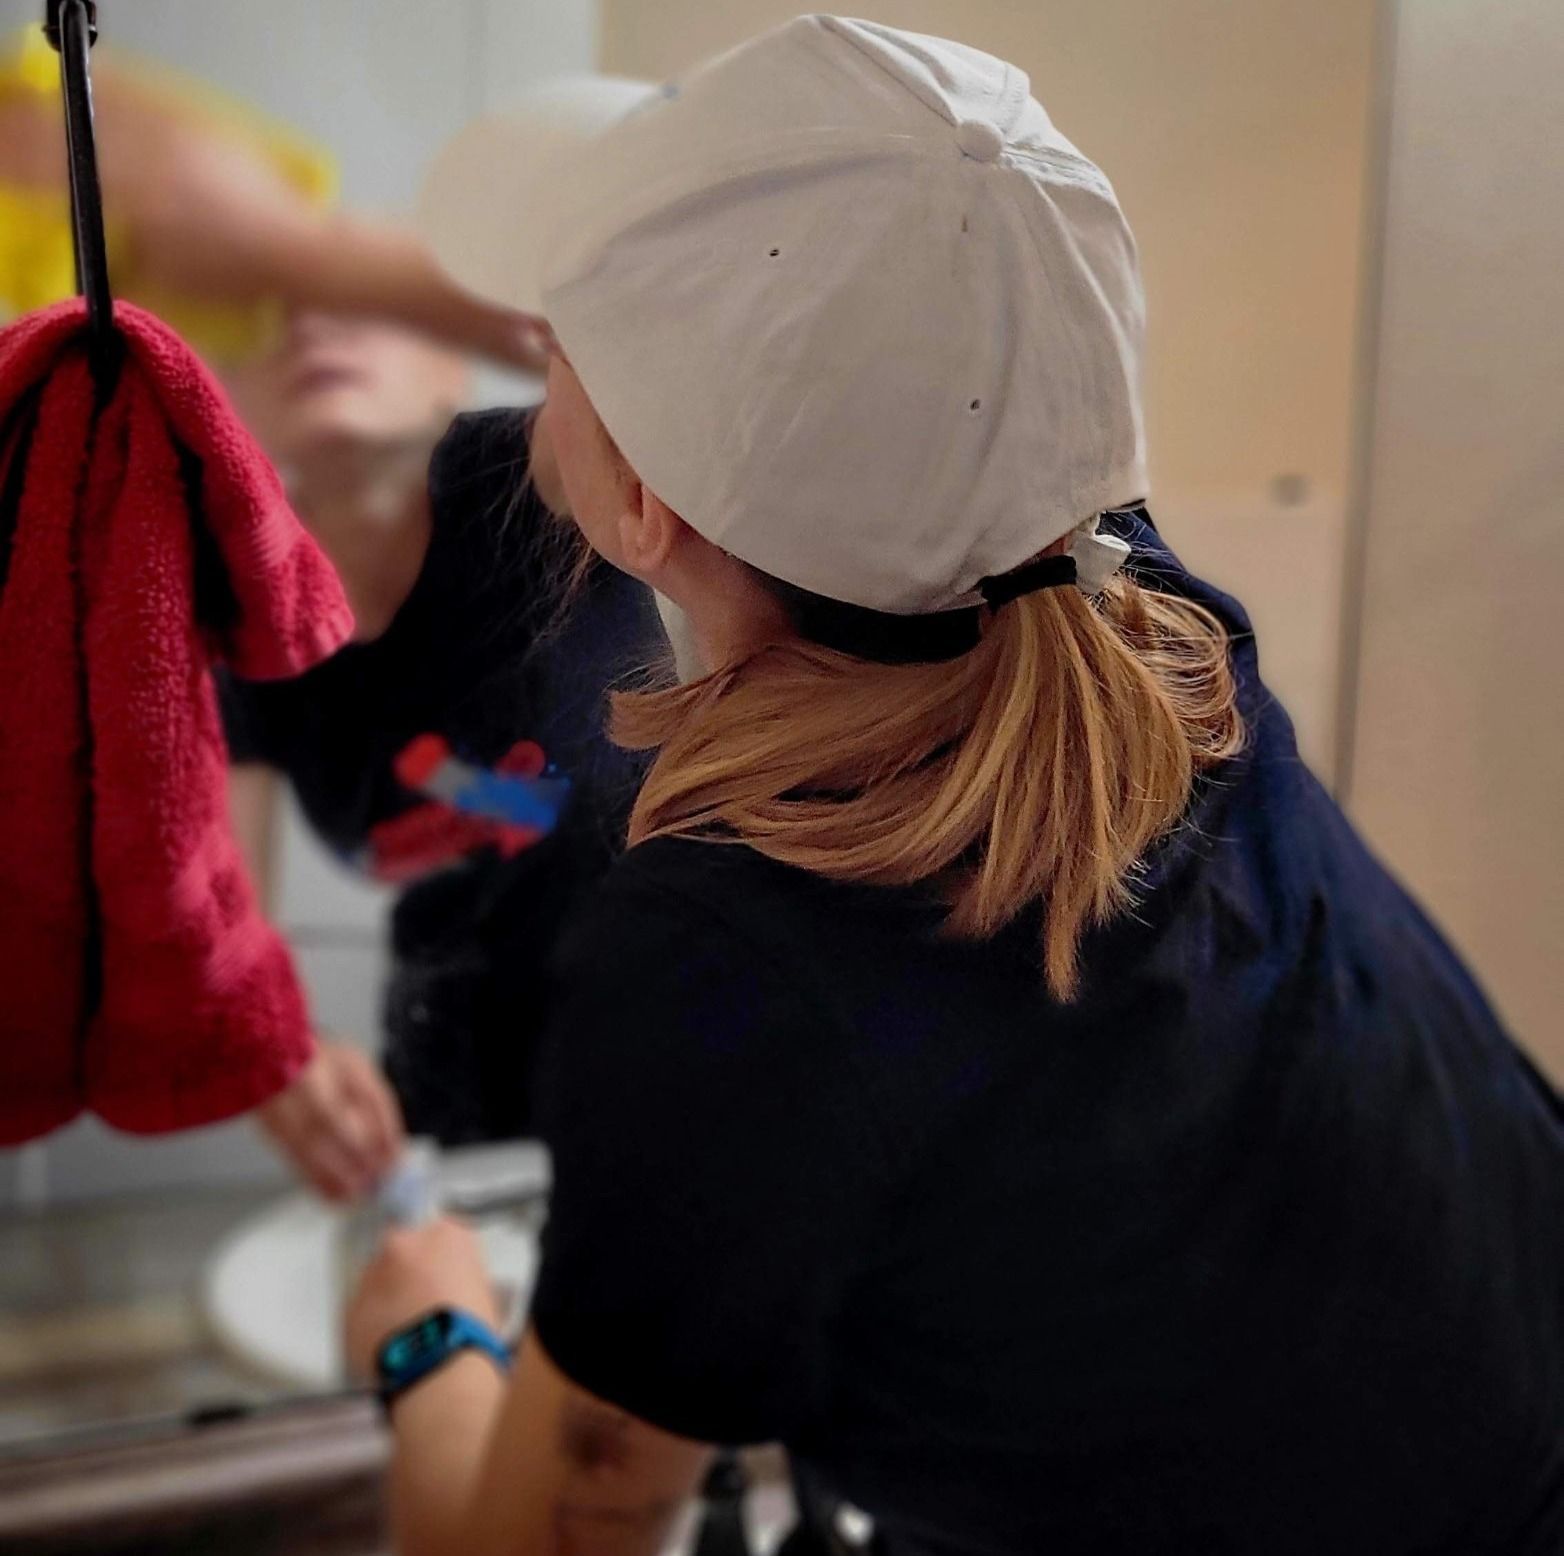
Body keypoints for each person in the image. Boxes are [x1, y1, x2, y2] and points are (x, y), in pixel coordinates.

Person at [343, 18, 1564, 1556]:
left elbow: (532, 1543)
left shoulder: (735, 969)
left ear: (637, 494)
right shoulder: (1145, 615)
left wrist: (426, 1343)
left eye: (557, 347)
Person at [220, 308, 668, 1190]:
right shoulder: (246, 611)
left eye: (353, 303)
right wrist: (279, 1046)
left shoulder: (533, 479)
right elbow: (230, 920)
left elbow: (638, 322)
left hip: (670, 1058)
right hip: (448, 1086)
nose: (311, 324)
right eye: (265, 314)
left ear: (453, 371)